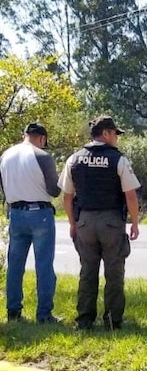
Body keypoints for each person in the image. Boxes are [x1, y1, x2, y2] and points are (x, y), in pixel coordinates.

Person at [58, 115, 141, 331]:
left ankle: (84, 321)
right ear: (105, 133)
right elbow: (130, 195)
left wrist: (73, 223)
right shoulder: (118, 159)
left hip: (84, 221)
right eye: (115, 133)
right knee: (114, 272)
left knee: (87, 271)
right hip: (111, 222)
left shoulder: (73, 159)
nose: (117, 138)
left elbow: (66, 197)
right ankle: (113, 321)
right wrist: (135, 222)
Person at [0, 122, 61, 323]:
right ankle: (44, 314)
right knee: (44, 265)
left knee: (15, 265)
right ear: (42, 138)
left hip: (15, 213)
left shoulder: (5, 156)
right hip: (40, 213)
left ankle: (13, 312)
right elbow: (54, 190)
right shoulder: (42, 156)